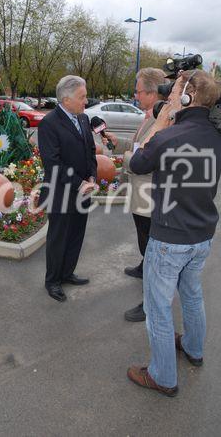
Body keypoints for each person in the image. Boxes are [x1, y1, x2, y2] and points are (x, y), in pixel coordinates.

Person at [127, 69, 221, 396]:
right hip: (202, 235)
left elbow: (137, 163)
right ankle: (194, 349)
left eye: (179, 90)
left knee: (158, 308)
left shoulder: (170, 136)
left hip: (170, 238)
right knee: (192, 293)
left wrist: (164, 117)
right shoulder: (215, 134)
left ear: (186, 97)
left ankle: (163, 376)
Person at [102, 68, 168, 321]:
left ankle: (150, 302)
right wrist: (116, 142)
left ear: (153, 92)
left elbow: (146, 157)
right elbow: (138, 145)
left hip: (149, 193)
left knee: (151, 243)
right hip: (139, 190)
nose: (135, 95)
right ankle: (144, 267)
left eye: (139, 91)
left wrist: (128, 157)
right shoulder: (149, 116)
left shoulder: (164, 120)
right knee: (144, 237)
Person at [38, 75, 97, 302]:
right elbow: (53, 164)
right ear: (66, 98)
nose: (86, 101)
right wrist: (79, 183)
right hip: (61, 193)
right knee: (58, 238)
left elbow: (90, 151)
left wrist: (92, 175)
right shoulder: (49, 123)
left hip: (83, 192)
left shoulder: (83, 119)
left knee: (76, 236)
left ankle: (67, 273)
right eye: (82, 97)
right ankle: (52, 281)